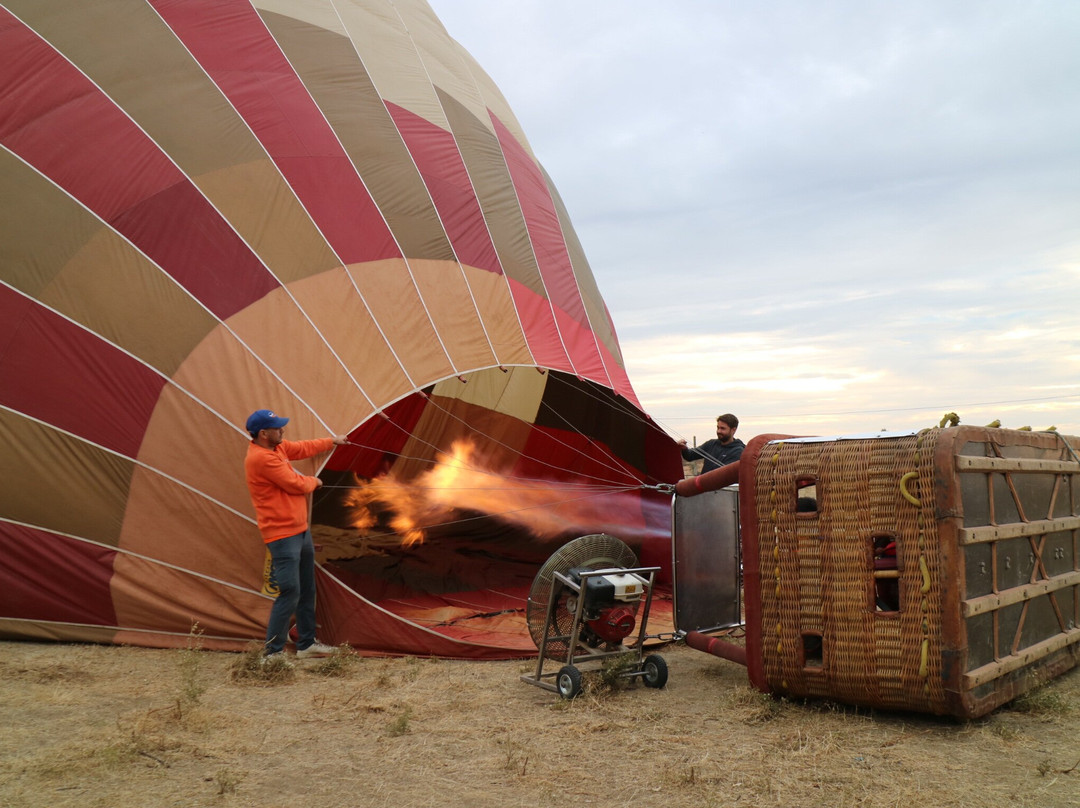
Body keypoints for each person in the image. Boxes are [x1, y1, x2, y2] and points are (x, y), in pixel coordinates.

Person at [244, 409, 349, 661]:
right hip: (282, 535)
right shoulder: (261, 459)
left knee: (307, 589)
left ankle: (306, 644)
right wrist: (316, 481)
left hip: (300, 531)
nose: (283, 430)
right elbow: (296, 484)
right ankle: (273, 653)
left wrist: (330, 441)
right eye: (278, 428)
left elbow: (301, 448)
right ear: (263, 433)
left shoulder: (276, 448)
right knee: (289, 592)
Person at [678, 413, 745, 473]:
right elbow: (690, 456)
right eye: (718, 427)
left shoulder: (738, 451)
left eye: (722, 428)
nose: (719, 431)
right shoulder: (711, 444)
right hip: (704, 486)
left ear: (733, 430)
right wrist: (684, 448)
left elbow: (724, 475)